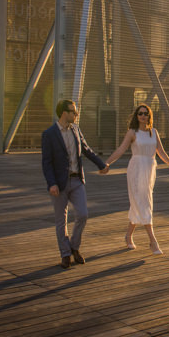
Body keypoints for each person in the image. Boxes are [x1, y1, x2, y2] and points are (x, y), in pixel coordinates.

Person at [42, 99, 109, 269]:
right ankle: (65, 254)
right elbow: (47, 163)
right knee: (60, 221)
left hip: (77, 180)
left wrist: (102, 165)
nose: (76, 114)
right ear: (64, 113)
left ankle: (74, 246)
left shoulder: (76, 130)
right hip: (59, 182)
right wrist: (52, 184)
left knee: (83, 214)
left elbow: (86, 150)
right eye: (74, 111)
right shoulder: (49, 134)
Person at [104, 103, 169, 255]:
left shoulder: (153, 132)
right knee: (144, 202)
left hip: (150, 169)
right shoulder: (132, 132)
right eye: (140, 114)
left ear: (150, 116)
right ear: (137, 117)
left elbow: (160, 151)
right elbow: (121, 149)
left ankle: (128, 235)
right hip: (136, 169)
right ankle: (153, 241)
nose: (143, 116)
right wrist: (107, 162)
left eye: (146, 113)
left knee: (140, 202)